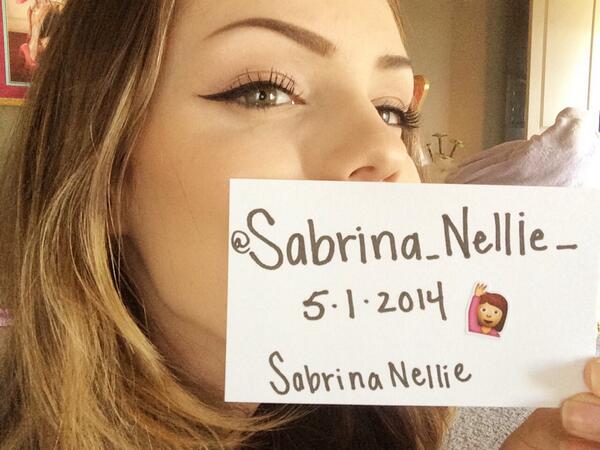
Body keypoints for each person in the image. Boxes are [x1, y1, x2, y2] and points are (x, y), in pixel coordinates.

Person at [0, 1, 598, 448]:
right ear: (106, 174)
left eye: (392, 111)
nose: (386, 151)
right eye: (263, 92)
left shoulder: (377, 424)